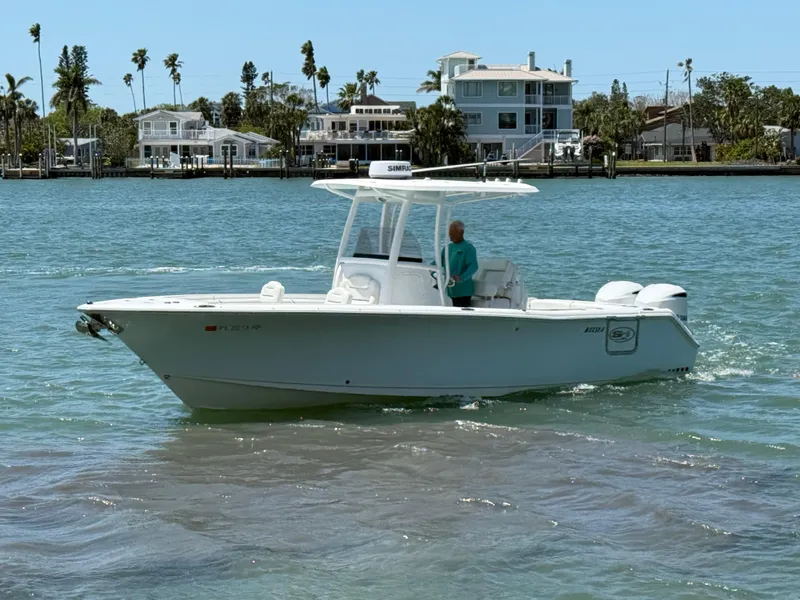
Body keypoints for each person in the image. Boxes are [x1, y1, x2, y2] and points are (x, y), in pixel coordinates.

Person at [441, 220, 478, 307]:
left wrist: (461, 278)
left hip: (463, 291)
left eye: (452, 232)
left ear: (461, 232)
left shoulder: (468, 247)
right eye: (449, 232)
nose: (450, 234)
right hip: (448, 290)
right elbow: (437, 263)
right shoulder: (447, 248)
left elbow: (473, 266)